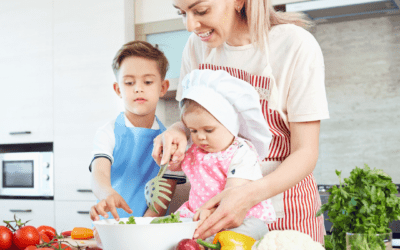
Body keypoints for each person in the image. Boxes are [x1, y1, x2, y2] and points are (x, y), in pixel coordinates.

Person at [152, 0, 330, 245]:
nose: (191, 25)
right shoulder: (196, 47)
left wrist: (246, 196)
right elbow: (189, 117)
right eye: (182, 13)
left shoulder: (295, 45)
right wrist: (177, 130)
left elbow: (306, 152)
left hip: (285, 210)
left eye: (201, 11)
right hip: (213, 215)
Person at [89, 40, 186, 223]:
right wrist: (107, 192)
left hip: (148, 230)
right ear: (118, 89)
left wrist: (140, 230)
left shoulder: (170, 142)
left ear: (163, 88)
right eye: (129, 82)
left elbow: (162, 200)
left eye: (148, 81)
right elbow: (99, 175)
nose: (138, 88)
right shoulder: (107, 133)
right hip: (110, 228)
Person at [176, 69, 276, 242]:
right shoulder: (196, 151)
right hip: (199, 215)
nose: (200, 136)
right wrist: (173, 158)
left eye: (208, 130)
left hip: (237, 217)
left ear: (230, 124)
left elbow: (233, 191)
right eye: (193, 130)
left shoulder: (241, 152)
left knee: (255, 228)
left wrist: (213, 212)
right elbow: (177, 167)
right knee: (173, 232)